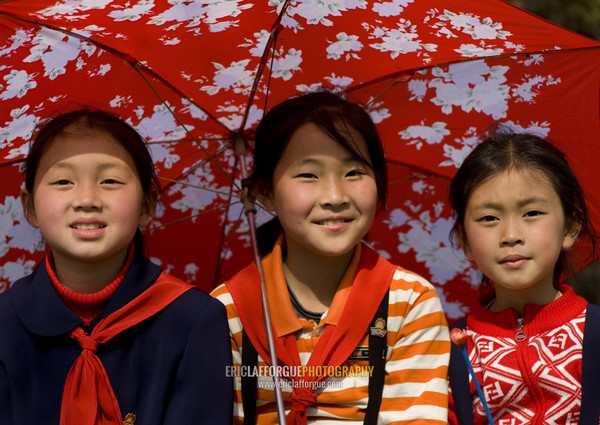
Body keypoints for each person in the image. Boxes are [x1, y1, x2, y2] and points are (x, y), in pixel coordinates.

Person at [211, 90, 450, 424]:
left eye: (354, 172)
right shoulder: (226, 310)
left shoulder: (410, 303)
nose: (336, 196)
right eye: (309, 175)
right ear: (264, 193)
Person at [0, 110, 233, 424]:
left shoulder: (194, 318)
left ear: (147, 205)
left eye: (110, 181)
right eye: (63, 181)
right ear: (29, 207)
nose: (87, 199)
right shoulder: (5, 322)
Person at [446, 128, 600, 424]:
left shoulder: (594, 333)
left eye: (531, 213)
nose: (511, 235)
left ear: (570, 227)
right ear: (464, 240)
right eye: (489, 218)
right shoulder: (450, 351)